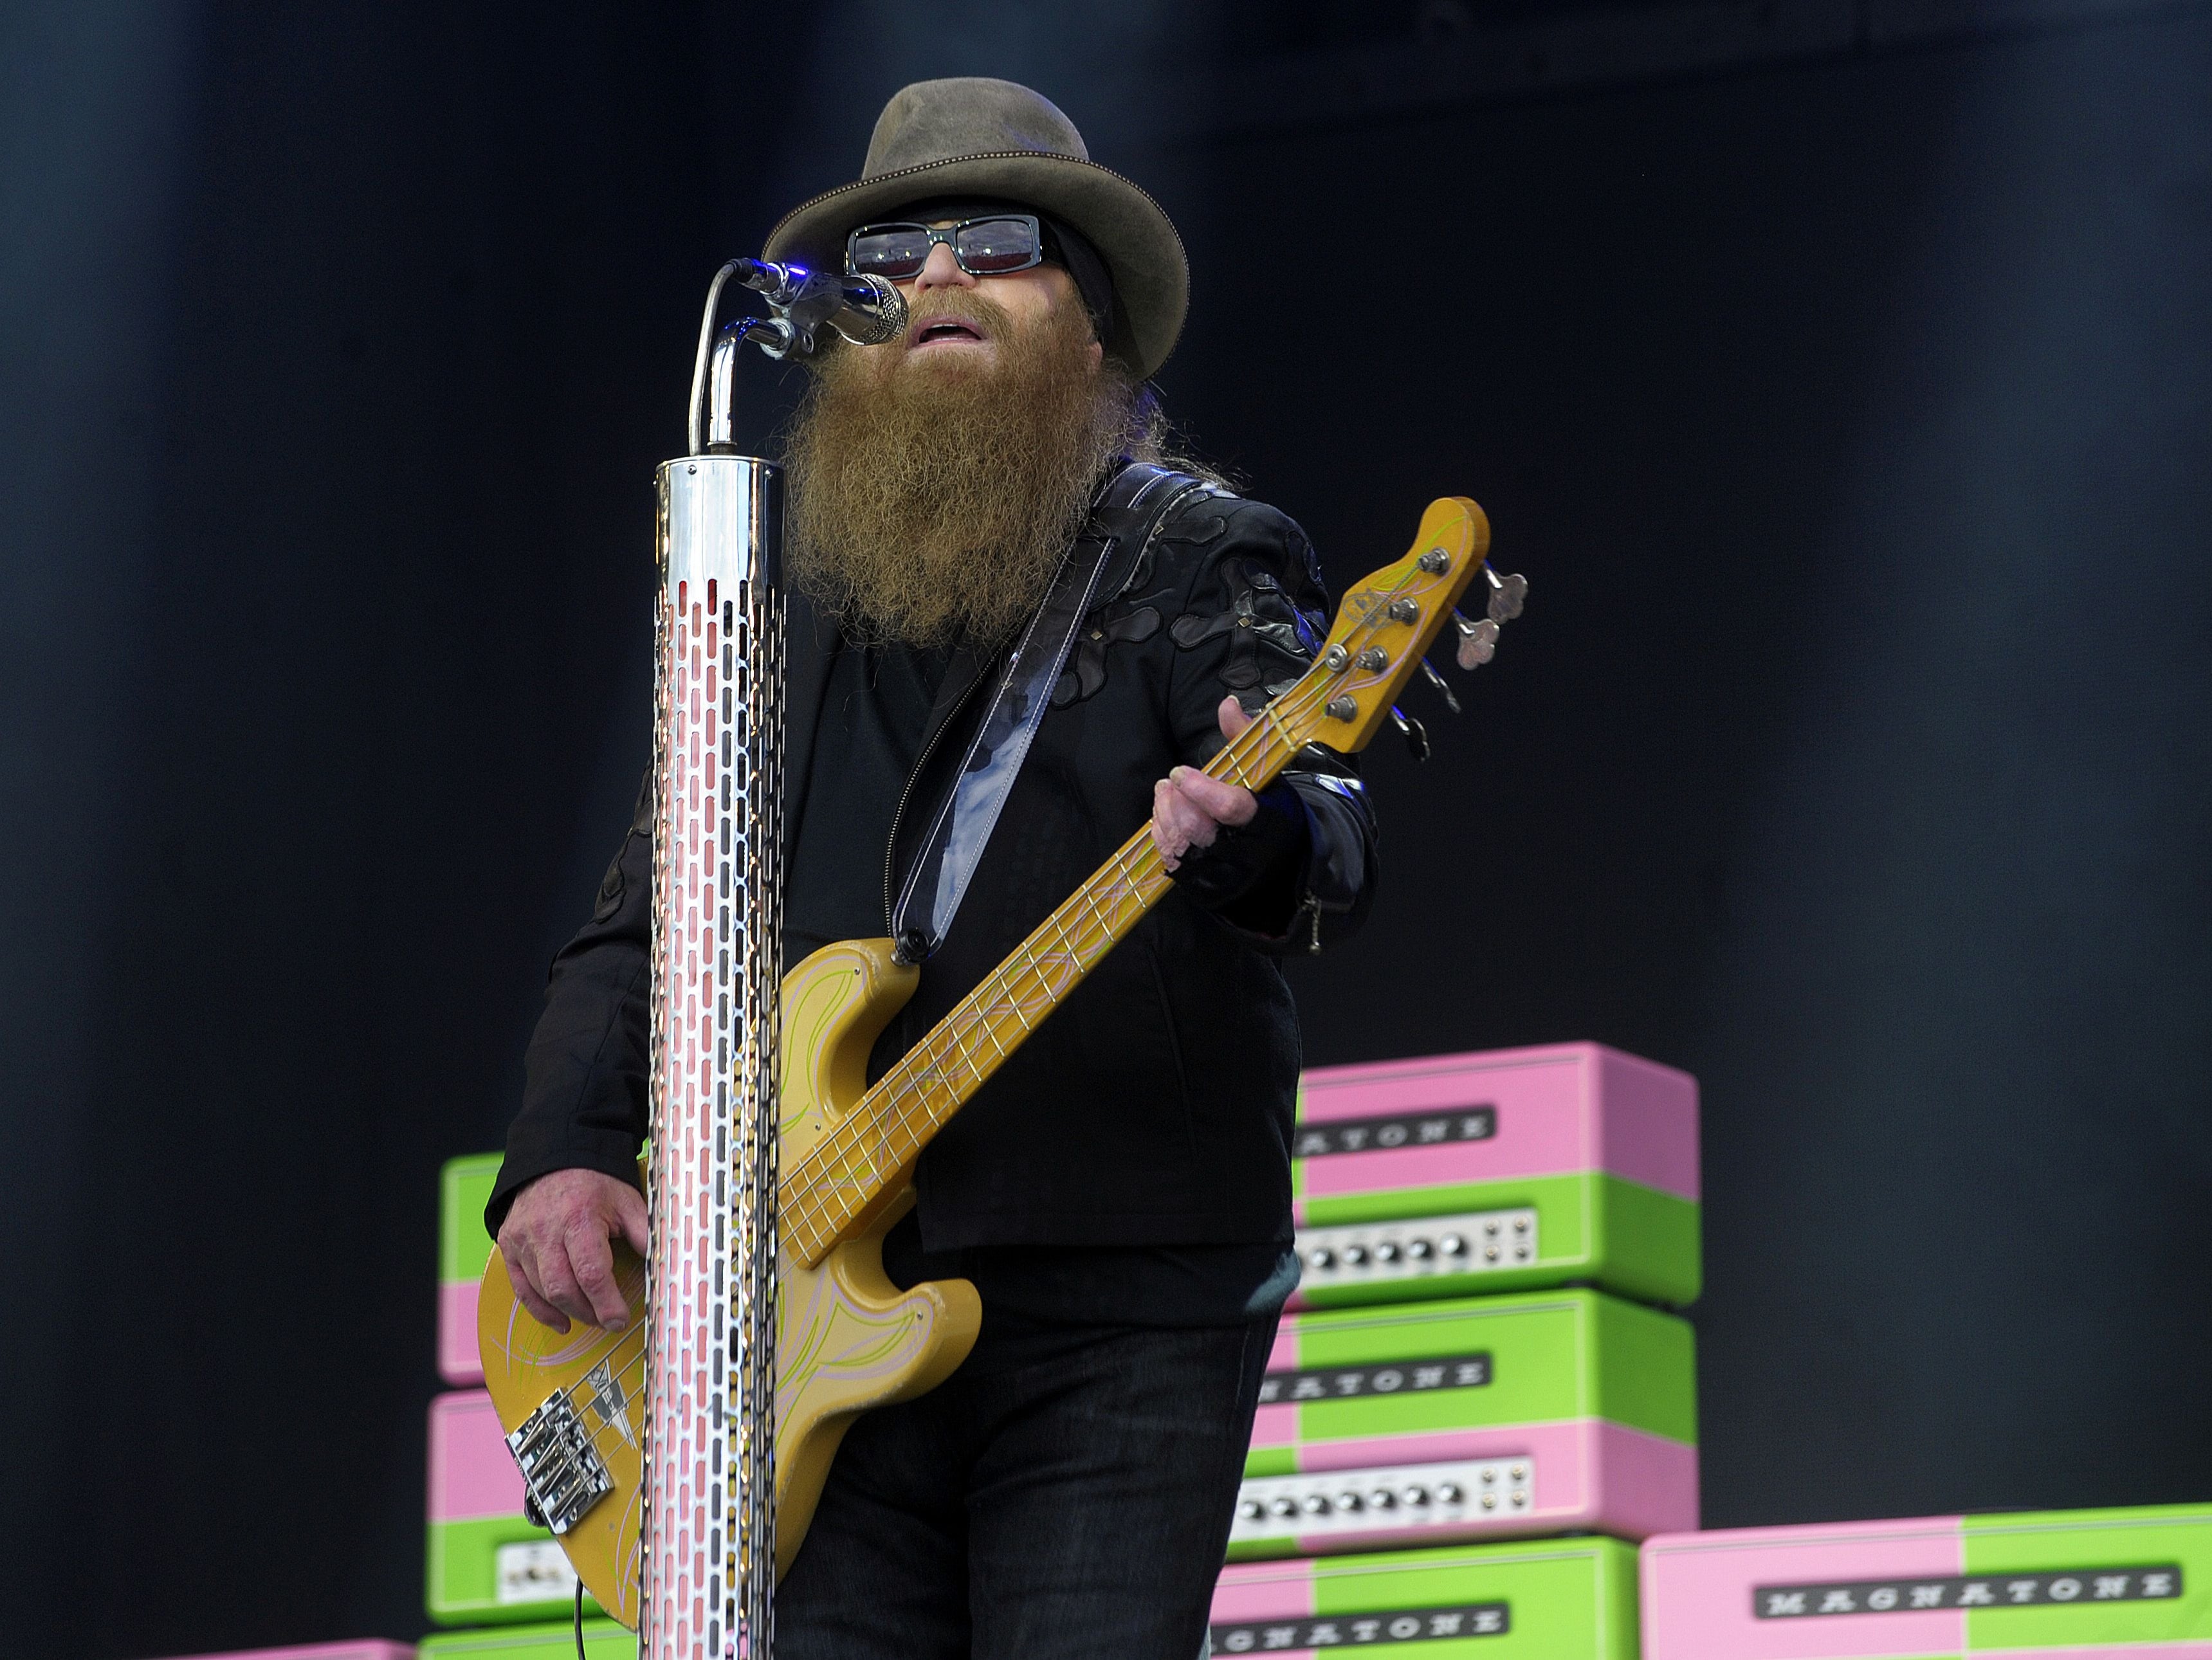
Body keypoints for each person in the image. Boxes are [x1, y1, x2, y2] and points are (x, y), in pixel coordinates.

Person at [485, 77, 1378, 1659]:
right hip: (789, 1311)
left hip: (1116, 1304)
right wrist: (564, 1146)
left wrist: (1263, 838)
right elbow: (648, 917)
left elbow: (1321, 817)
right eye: (895, 262)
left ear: (1091, 332)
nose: (941, 280)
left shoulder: (1199, 554)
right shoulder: (773, 603)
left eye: (996, 246)